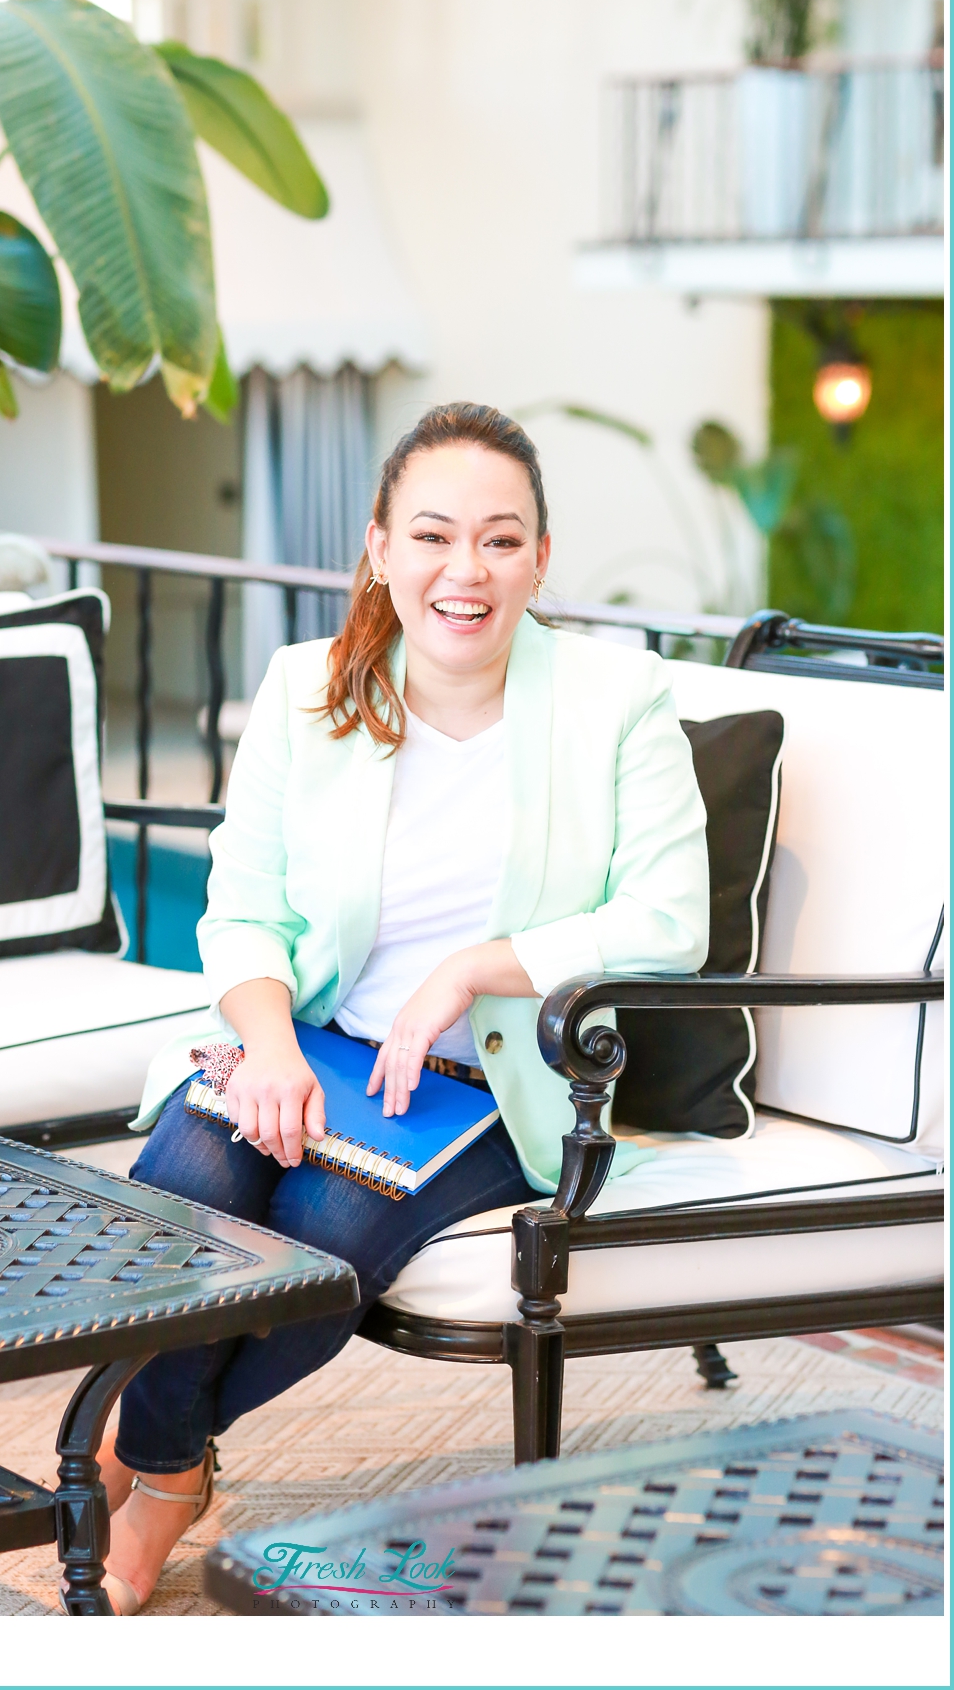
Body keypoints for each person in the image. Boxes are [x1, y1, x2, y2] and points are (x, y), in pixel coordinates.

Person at [92, 401, 709, 1613]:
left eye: (498, 538)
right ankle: (169, 1454)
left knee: (317, 1244)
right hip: (312, 1038)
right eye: (432, 535)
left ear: (540, 556)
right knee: (188, 1191)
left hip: (487, 1080)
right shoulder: (308, 688)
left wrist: (474, 965)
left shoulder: (618, 697)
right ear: (379, 546)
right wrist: (267, 1046)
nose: (462, 571)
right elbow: (242, 908)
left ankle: (150, 1464)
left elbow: (668, 918)